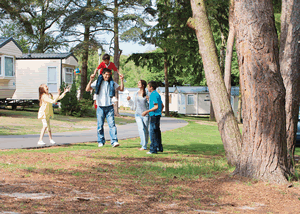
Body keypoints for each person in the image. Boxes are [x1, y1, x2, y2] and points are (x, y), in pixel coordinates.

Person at [86, 68, 124, 147]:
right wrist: (90, 80)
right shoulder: (98, 82)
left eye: (109, 75)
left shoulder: (111, 83)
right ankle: (100, 141)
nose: (107, 76)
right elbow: (87, 89)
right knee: (100, 126)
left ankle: (114, 141)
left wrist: (122, 80)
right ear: (102, 74)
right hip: (100, 107)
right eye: (106, 74)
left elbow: (121, 89)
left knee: (112, 125)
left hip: (109, 107)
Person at [142, 81, 164, 154]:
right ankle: (159, 147)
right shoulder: (157, 94)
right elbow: (162, 105)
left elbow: (156, 106)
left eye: (148, 87)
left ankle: (153, 149)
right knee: (157, 132)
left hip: (154, 115)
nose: (147, 88)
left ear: (151, 87)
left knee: (153, 132)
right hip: (157, 115)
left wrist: (147, 111)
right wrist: (160, 112)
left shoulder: (153, 95)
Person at [127, 80, 149, 150]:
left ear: (143, 85)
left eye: (139, 83)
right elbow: (133, 105)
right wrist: (129, 100)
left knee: (145, 130)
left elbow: (150, 104)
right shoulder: (135, 93)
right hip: (138, 114)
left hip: (146, 114)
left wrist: (148, 100)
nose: (138, 84)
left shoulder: (148, 93)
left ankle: (145, 142)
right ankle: (143, 145)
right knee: (141, 128)